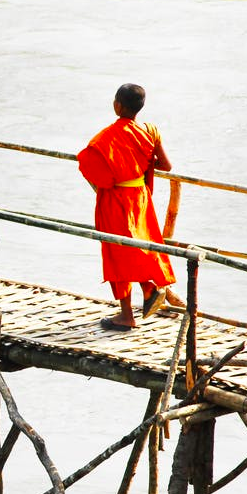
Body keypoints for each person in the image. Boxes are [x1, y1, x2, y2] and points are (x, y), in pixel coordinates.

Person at [78, 83, 176, 331]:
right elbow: (166, 165)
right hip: (140, 197)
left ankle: (125, 315)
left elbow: (90, 166)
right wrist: (145, 160)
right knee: (139, 246)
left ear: (117, 105)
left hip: (117, 198)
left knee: (117, 252)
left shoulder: (105, 137)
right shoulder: (150, 131)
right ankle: (148, 287)